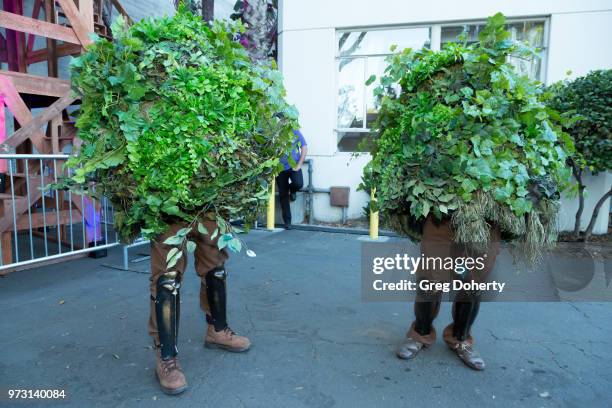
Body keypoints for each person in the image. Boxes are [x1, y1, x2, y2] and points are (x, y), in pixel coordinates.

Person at [149, 219, 251, 395]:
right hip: (166, 203)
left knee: (216, 268)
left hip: (206, 201)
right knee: (167, 279)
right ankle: (165, 355)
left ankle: (217, 330)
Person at [396, 217, 501, 371]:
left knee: (474, 282)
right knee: (430, 277)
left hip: (487, 216)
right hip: (441, 213)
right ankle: (419, 333)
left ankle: (460, 339)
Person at [276, 130, 307, 229]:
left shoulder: (295, 132)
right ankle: (287, 222)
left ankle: (292, 191)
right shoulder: (275, 133)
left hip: (294, 165)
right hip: (279, 168)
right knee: (283, 194)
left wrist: (299, 164)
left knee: (298, 184)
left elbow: (304, 147)